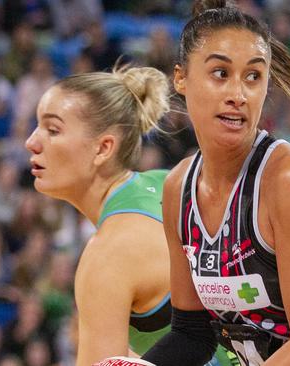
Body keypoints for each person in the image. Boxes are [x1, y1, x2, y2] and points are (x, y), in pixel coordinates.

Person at [141, 1, 290, 365]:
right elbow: (192, 334)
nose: (239, 94)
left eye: (253, 76)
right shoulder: (178, 189)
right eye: (220, 73)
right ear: (181, 78)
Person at [25, 64, 181, 365]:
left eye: (53, 129)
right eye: (37, 126)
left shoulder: (107, 256)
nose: (31, 142)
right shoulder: (167, 181)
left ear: (103, 148)